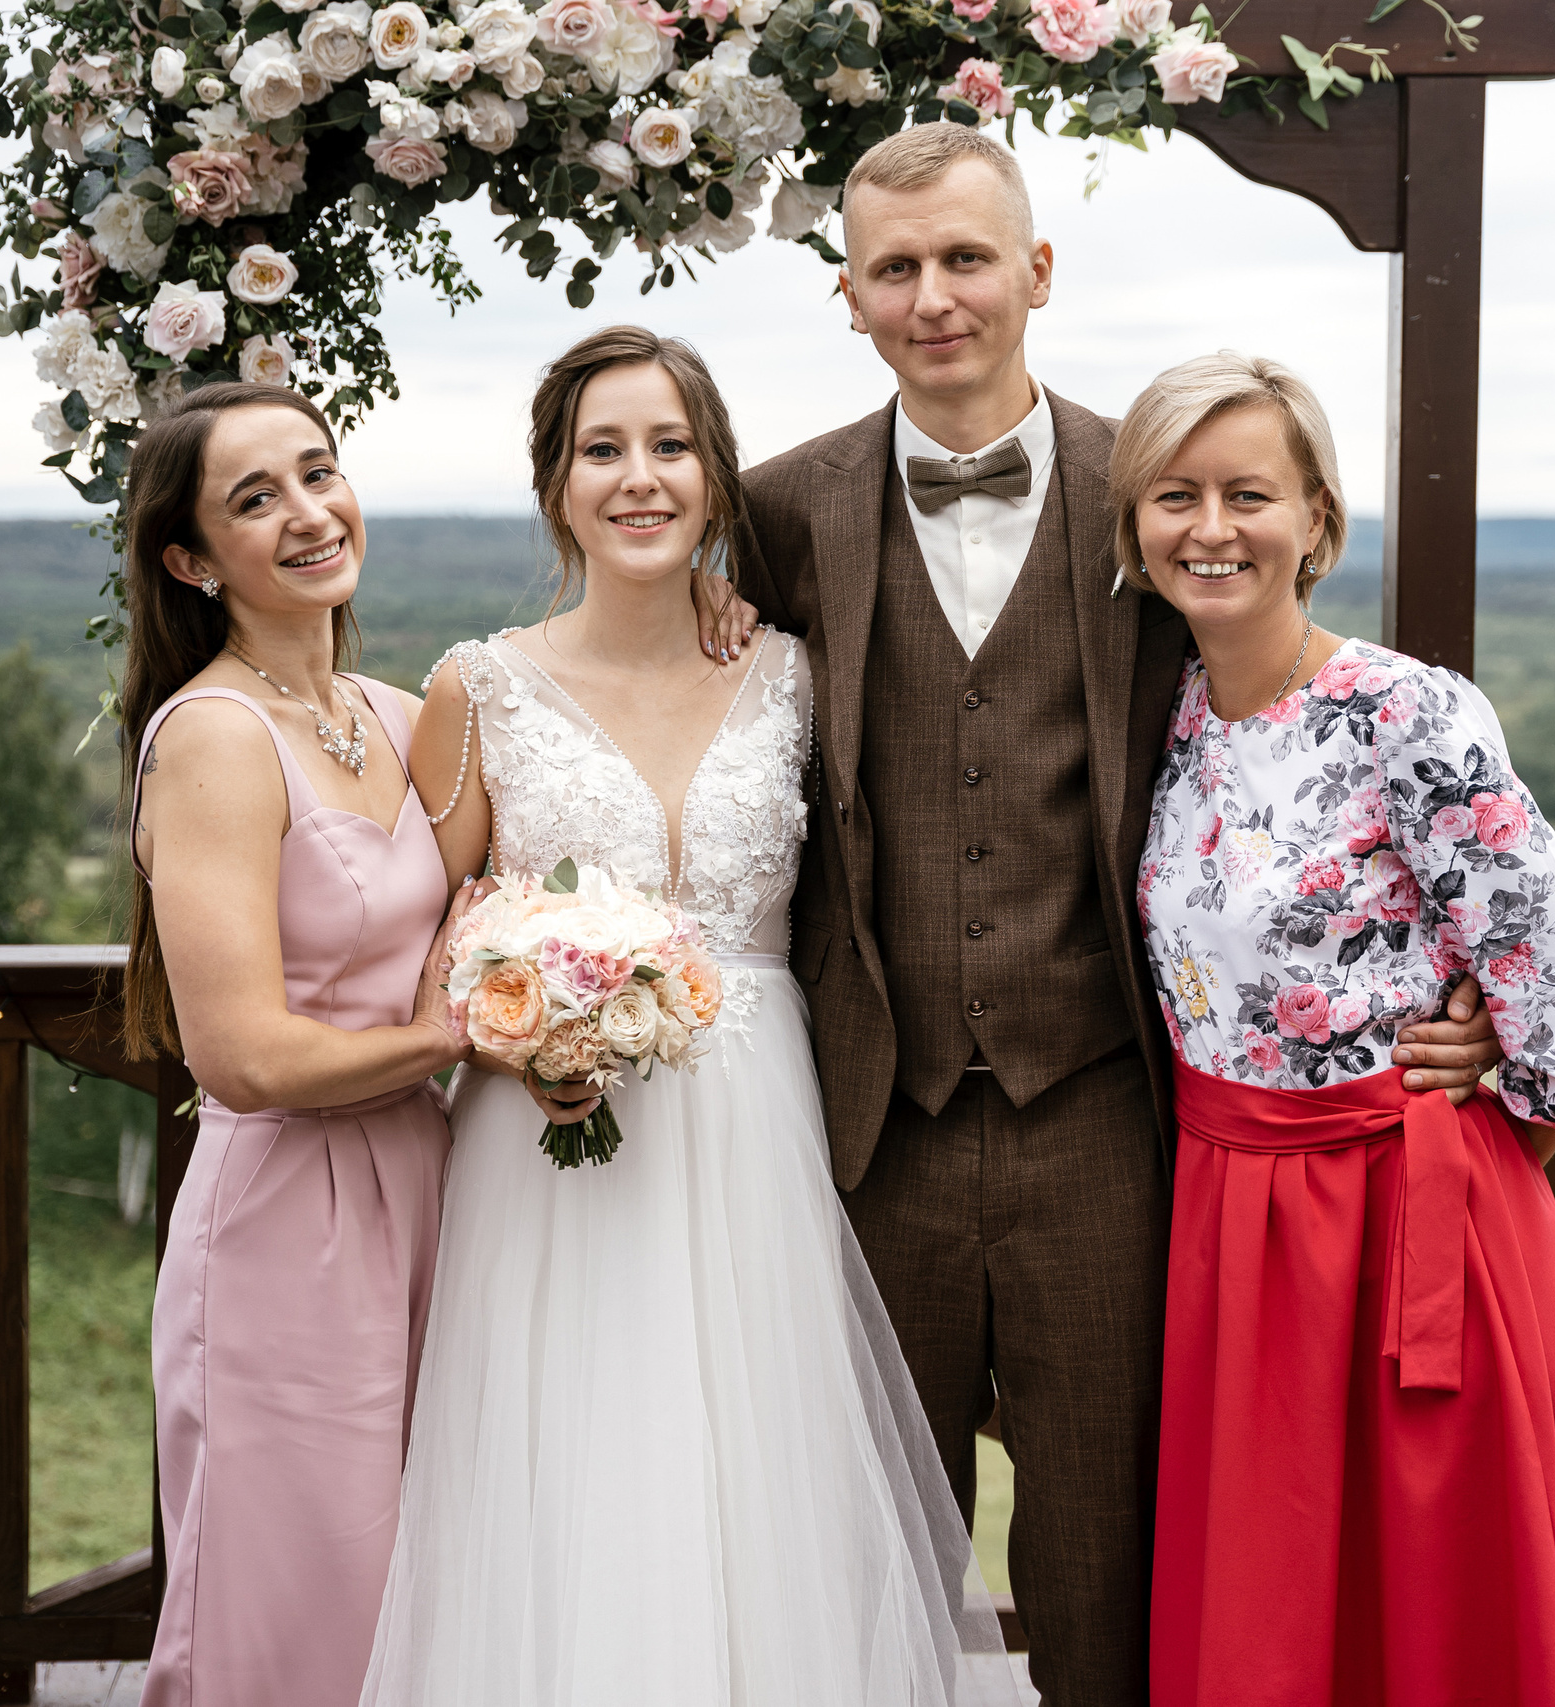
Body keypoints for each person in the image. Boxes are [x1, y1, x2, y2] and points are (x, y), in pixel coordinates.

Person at [727, 124, 1505, 1704]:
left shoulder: (1153, 496)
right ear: (850, 295)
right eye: (896, 268)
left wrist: (1465, 979)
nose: (935, 297)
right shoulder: (779, 511)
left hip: (1109, 1119)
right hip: (865, 1129)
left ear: (1038, 271)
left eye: (966, 258)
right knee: (859, 1560)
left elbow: (1299, 728)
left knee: (1113, 1563)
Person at [362, 325, 1004, 1704]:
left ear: (715, 476)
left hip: (761, 1131)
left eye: (669, 447)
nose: (638, 478)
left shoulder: (795, 675)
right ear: (556, 483)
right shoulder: (477, 689)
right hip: (552, 1152)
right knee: (572, 1473)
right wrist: (511, 1037)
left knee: (760, 1479)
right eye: (602, 449)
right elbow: (431, 944)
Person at [1117, 352, 1555, 1706]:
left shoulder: (1408, 713)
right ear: (1136, 529)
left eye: (1250, 494)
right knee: (1274, 1604)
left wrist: (1471, 1160)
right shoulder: (1167, 714)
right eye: (1176, 496)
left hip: (1405, 1217)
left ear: (1316, 519)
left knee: (1438, 1604)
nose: (1212, 528)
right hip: (1228, 1221)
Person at [119, 382, 473, 1707]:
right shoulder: (215, 737)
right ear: (192, 561)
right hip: (287, 1219)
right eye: (256, 499)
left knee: (423, 1601)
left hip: (428, 1189)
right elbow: (245, 1058)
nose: (310, 513)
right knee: (298, 1616)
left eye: (319, 473)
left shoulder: (395, 715)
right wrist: (452, 1038)